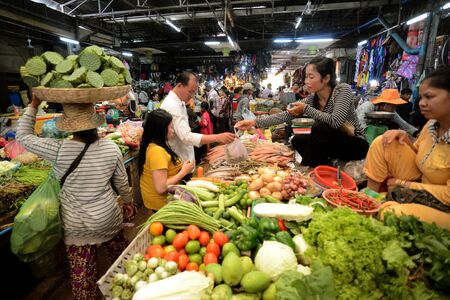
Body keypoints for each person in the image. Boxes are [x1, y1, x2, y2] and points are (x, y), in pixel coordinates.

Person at [16, 97, 135, 299]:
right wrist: (129, 202)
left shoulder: (59, 149)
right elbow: (122, 184)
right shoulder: (111, 148)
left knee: (83, 280)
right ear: (95, 123)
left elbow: (23, 137)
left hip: (76, 226)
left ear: (70, 127)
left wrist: (34, 105)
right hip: (107, 218)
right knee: (122, 265)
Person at [235, 56, 369, 167]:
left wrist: (305, 109)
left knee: (320, 127)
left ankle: (308, 168)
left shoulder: (342, 90)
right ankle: (322, 167)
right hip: (334, 143)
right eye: (306, 77)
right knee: (297, 140)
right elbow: (286, 114)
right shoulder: (312, 99)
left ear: (326, 78)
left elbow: (335, 121)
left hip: (355, 144)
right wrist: (253, 122)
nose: (306, 81)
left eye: (311, 77)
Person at [364, 68, 450, 230]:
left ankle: (380, 205)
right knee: (384, 141)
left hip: (444, 205)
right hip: (421, 183)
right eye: (422, 97)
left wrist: (403, 184)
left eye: (429, 97)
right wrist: (404, 137)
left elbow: (448, 196)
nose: (421, 103)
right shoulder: (432, 125)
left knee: (389, 212)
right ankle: (369, 199)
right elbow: (419, 156)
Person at [159, 71, 235, 166]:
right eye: (190, 92)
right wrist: (217, 137)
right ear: (179, 86)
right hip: (178, 162)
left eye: (194, 92)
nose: (192, 96)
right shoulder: (172, 105)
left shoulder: (179, 102)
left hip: (183, 160)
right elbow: (186, 137)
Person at [139, 109, 194, 210]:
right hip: (162, 205)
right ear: (161, 129)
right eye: (171, 127)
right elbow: (161, 188)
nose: (173, 131)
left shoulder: (154, 146)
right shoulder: (157, 152)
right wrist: (183, 171)